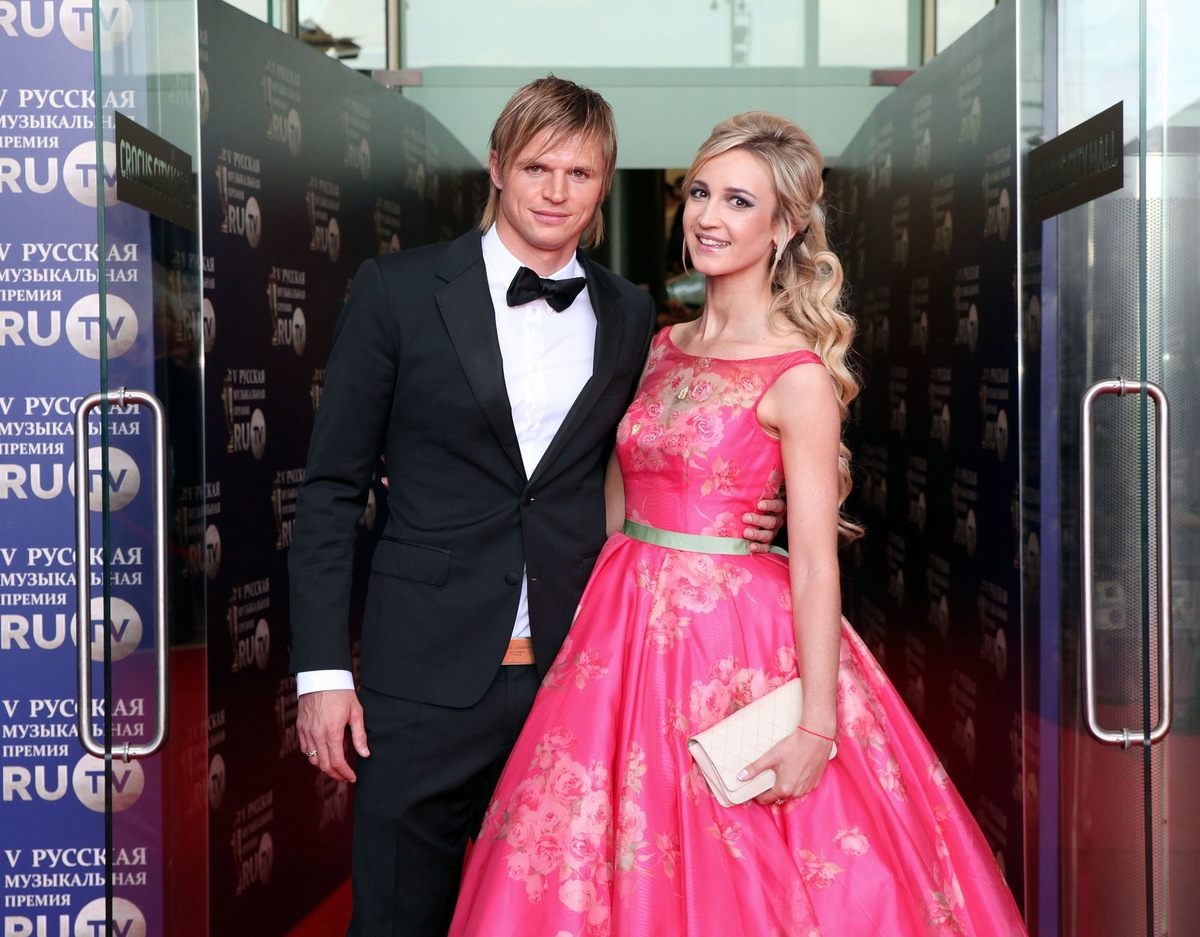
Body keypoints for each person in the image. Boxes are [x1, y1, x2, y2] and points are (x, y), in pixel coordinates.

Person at [448, 112, 1029, 936]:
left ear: (783, 227)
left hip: (733, 642)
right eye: (700, 193)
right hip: (616, 625)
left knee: (742, 856)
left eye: (739, 201)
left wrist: (818, 723)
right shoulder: (654, 345)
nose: (709, 217)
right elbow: (608, 493)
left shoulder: (798, 375)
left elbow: (817, 563)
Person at [288, 78, 782, 937]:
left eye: (580, 174)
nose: (556, 192)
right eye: (536, 168)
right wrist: (323, 675)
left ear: (604, 185)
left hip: (578, 674)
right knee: (397, 916)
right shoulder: (398, 290)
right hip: (423, 677)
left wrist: (736, 513)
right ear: (496, 167)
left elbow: (646, 459)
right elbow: (331, 489)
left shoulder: (629, 311)